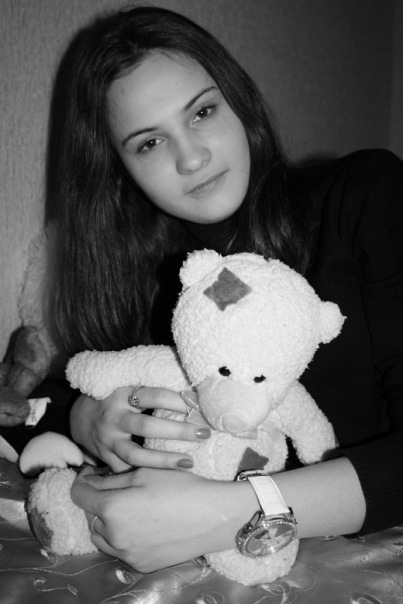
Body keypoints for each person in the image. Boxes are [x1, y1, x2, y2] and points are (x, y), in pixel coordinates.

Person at [42, 5, 403, 573]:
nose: (192, 157)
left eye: (203, 111)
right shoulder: (156, 281)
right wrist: (87, 418)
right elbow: (48, 394)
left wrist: (230, 513)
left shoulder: (364, 197)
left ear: (239, 103)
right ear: (118, 169)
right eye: (149, 143)